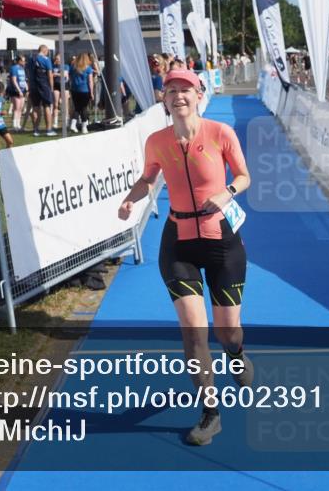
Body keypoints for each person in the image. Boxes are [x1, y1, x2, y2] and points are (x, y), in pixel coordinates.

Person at [117, 69, 252, 446]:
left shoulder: (220, 133)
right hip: (178, 242)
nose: (178, 96)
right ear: (164, 99)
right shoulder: (156, 141)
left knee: (226, 331)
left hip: (221, 240)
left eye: (185, 90)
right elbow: (147, 179)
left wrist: (226, 192)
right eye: (171, 90)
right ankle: (210, 413)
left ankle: (237, 353)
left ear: (198, 94)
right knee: (193, 330)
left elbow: (244, 176)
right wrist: (131, 198)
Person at [28, 45, 55, 137]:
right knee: (46, 106)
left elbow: (28, 72)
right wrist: (51, 88)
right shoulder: (46, 59)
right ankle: (49, 130)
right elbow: (50, 75)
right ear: (44, 50)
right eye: (47, 51)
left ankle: (36, 130)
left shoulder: (31, 59)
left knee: (35, 107)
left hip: (33, 86)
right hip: (44, 85)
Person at [69, 53, 95, 133]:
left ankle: (73, 124)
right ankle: (84, 127)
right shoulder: (88, 69)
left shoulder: (73, 67)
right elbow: (90, 81)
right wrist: (92, 93)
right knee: (83, 108)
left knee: (77, 108)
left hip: (74, 90)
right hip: (84, 90)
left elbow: (70, 78)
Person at [8, 55, 29, 131]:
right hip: (15, 91)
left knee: (20, 108)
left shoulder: (22, 69)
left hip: (23, 90)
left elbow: (24, 80)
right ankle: (14, 125)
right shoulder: (14, 68)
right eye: (23, 61)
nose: (24, 62)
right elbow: (14, 80)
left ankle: (18, 124)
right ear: (19, 61)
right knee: (16, 108)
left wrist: (27, 88)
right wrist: (19, 90)